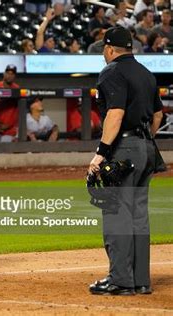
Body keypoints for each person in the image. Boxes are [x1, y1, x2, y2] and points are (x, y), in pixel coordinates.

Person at [88, 26, 164, 296]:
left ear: (109, 49)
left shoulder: (112, 71)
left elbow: (115, 114)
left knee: (117, 214)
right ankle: (141, 280)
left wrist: (102, 151)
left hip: (124, 147)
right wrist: (143, 140)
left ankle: (120, 279)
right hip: (147, 148)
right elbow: (158, 116)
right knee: (138, 216)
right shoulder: (146, 73)